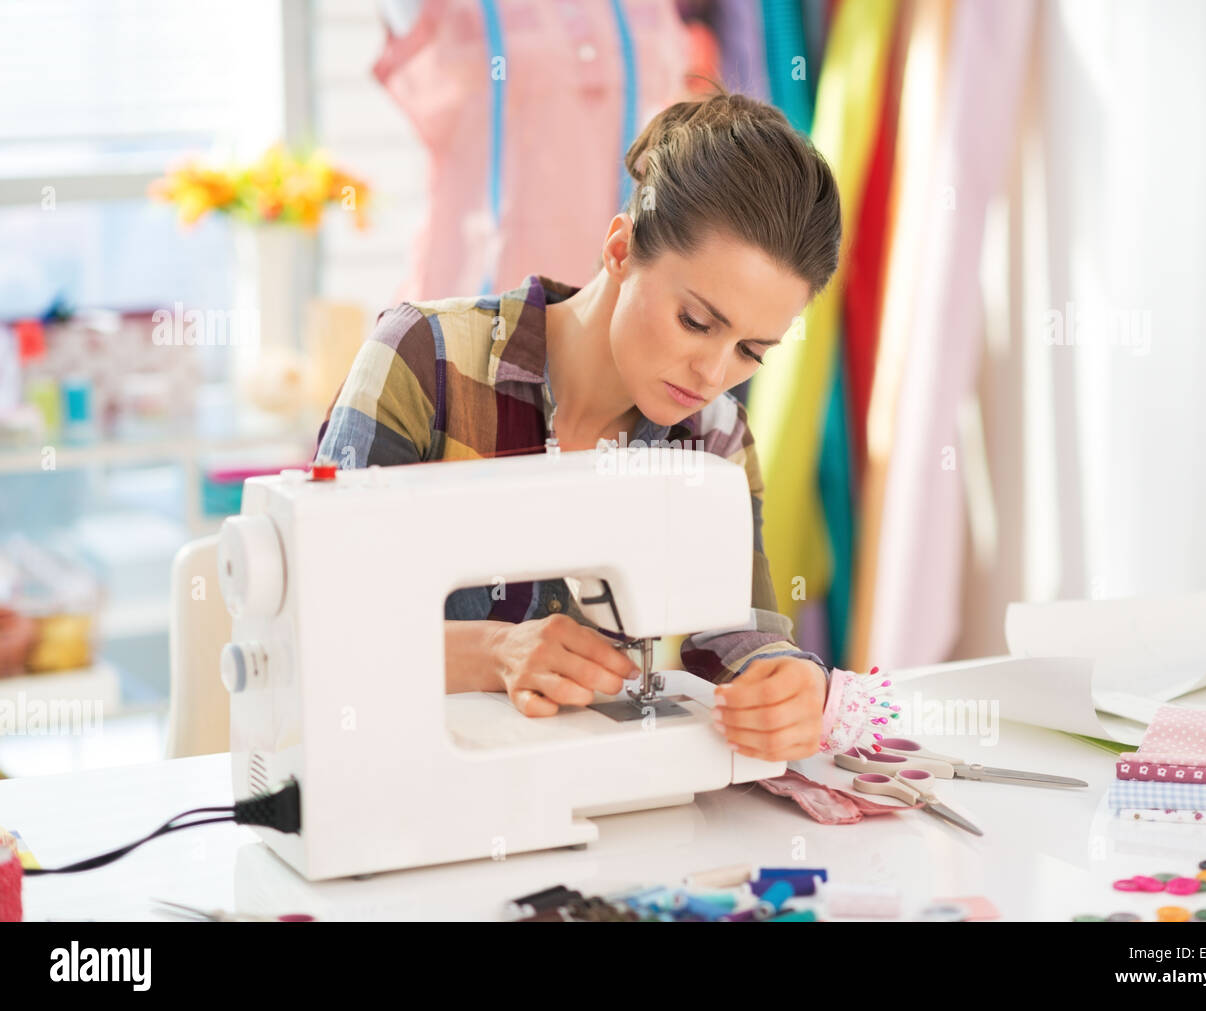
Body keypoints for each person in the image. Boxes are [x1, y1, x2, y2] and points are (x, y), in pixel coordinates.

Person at [315, 89, 842, 762]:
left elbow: (740, 636)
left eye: (750, 351)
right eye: (697, 322)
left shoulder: (713, 438)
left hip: (588, 808)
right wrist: (492, 652)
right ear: (621, 250)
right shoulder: (424, 360)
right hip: (398, 782)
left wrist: (789, 681)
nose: (713, 372)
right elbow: (321, 621)